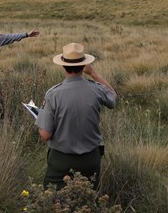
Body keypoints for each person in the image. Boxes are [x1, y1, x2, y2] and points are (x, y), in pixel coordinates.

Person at [35, 42, 117, 190]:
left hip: (61, 160)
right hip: (91, 158)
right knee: (89, 198)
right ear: (84, 65)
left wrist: (40, 117)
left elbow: (45, 135)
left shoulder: (53, 94)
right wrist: (93, 74)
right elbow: (112, 97)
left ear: (63, 65)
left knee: (53, 199)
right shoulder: (97, 90)